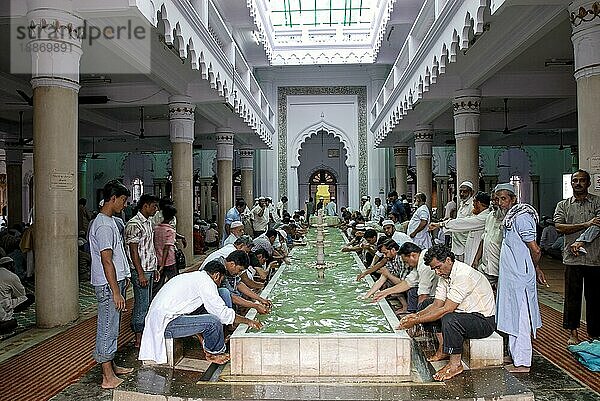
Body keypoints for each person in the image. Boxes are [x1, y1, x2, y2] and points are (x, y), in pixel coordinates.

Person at [398, 244, 496, 381]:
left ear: (448, 260)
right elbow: (437, 304)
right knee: (427, 303)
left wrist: (416, 321)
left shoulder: (463, 274)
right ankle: (443, 348)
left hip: (483, 321)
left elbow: (447, 308)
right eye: (434, 269)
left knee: (449, 318)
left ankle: (456, 364)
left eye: (438, 267)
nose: (437, 272)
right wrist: (415, 315)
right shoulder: (445, 275)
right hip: (465, 315)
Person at [139, 260, 262, 365]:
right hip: (165, 325)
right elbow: (221, 314)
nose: (219, 283)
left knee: (223, 293)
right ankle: (213, 353)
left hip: (172, 316)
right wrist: (248, 321)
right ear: (216, 275)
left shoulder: (197, 277)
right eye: (221, 280)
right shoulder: (206, 282)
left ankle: (216, 339)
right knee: (213, 322)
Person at [495, 183, 547, 373]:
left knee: (521, 318)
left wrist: (533, 268)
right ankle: (514, 355)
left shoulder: (522, 217)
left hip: (520, 278)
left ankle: (523, 362)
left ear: (513, 199)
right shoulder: (510, 218)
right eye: (497, 198)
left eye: (504, 198)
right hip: (512, 277)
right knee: (512, 316)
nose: (500, 202)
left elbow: (535, 249)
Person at [88, 180, 133, 389]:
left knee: (112, 326)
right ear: (112, 198)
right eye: (123, 200)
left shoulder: (110, 221)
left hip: (115, 282)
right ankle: (107, 377)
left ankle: (111, 365)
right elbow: (106, 260)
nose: (125, 205)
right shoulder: (104, 225)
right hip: (109, 286)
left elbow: (115, 257)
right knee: (107, 327)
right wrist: (116, 291)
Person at [554, 169, 600, 344]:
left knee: (595, 298)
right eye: (575, 180)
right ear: (571, 183)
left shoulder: (597, 202)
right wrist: (585, 224)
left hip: (594, 257)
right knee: (572, 297)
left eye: (582, 180)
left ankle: (594, 334)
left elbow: (598, 225)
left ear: (588, 183)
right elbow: (559, 227)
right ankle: (573, 333)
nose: (578, 183)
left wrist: (580, 240)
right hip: (572, 258)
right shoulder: (563, 205)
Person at [125, 194, 159, 348]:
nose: (156, 209)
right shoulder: (134, 224)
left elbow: (149, 248)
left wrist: (155, 267)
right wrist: (140, 273)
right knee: (141, 304)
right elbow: (133, 252)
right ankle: (139, 337)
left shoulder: (148, 222)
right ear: (145, 206)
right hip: (141, 270)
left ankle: (144, 332)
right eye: (154, 206)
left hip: (149, 268)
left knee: (147, 302)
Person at [372, 242, 437, 313]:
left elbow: (423, 295)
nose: (407, 265)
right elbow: (407, 283)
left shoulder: (425, 265)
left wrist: (417, 317)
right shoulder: (420, 260)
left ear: (413, 255)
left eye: (406, 262)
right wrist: (385, 292)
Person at [430, 192, 490, 266]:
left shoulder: (484, 217)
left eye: (474, 202)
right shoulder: (476, 214)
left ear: (479, 203)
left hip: (475, 252)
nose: (473, 204)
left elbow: (463, 223)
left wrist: (441, 224)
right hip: (465, 247)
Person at [471, 190, 504, 289]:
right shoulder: (490, 216)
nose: (495, 202)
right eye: (493, 200)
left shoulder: (509, 219)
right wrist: (476, 258)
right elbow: (484, 239)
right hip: (486, 266)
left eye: (498, 199)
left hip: (501, 269)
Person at [0, 256, 34, 334]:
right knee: (30, 297)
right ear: (9, 265)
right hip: (3, 307)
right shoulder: (11, 276)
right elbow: (22, 294)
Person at [153, 204, 178, 297]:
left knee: (158, 284)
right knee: (174, 282)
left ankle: (155, 300)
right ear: (172, 217)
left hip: (157, 260)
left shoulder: (156, 228)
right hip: (169, 261)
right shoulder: (170, 231)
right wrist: (163, 264)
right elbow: (166, 248)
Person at [448, 181, 474, 262]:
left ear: (471, 192)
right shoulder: (462, 204)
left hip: (464, 245)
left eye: (465, 191)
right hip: (457, 244)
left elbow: (467, 224)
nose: (462, 194)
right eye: (460, 191)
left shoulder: (472, 206)